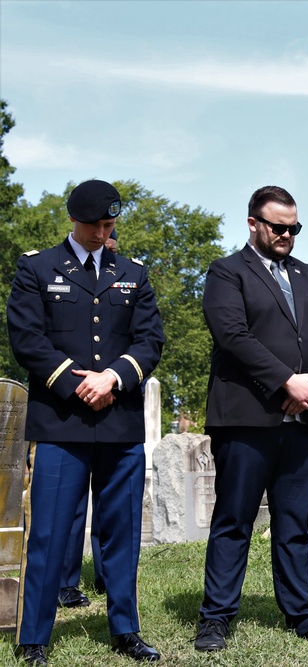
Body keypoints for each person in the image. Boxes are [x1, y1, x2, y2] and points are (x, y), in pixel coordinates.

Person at [7, 180, 165, 664]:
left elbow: (149, 341)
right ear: (74, 219)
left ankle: (124, 629)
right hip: (61, 424)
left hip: (119, 424)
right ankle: (33, 635)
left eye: (110, 223)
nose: (104, 231)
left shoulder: (133, 273)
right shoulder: (37, 268)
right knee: (51, 534)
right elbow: (27, 338)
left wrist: (113, 378)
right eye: (96, 224)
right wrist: (77, 384)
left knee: (122, 532)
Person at [194, 186, 308, 652]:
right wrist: (287, 381)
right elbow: (233, 335)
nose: (287, 235)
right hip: (247, 420)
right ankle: (215, 619)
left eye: (294, 228)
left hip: (306, 421)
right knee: (233, 521)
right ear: (253, 224)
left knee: (295, 524)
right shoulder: (227, 273)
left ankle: (303, 615)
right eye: (278, 227)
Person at [57, 229, 118, 610]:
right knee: (72, 506)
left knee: (110, 508)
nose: (104, 240)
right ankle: (64, 581)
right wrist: (82, 386)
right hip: (70, 406)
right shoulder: (54, 269)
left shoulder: (124, 275)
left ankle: (107, 577)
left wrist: (113, 380)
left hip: (114, 406)